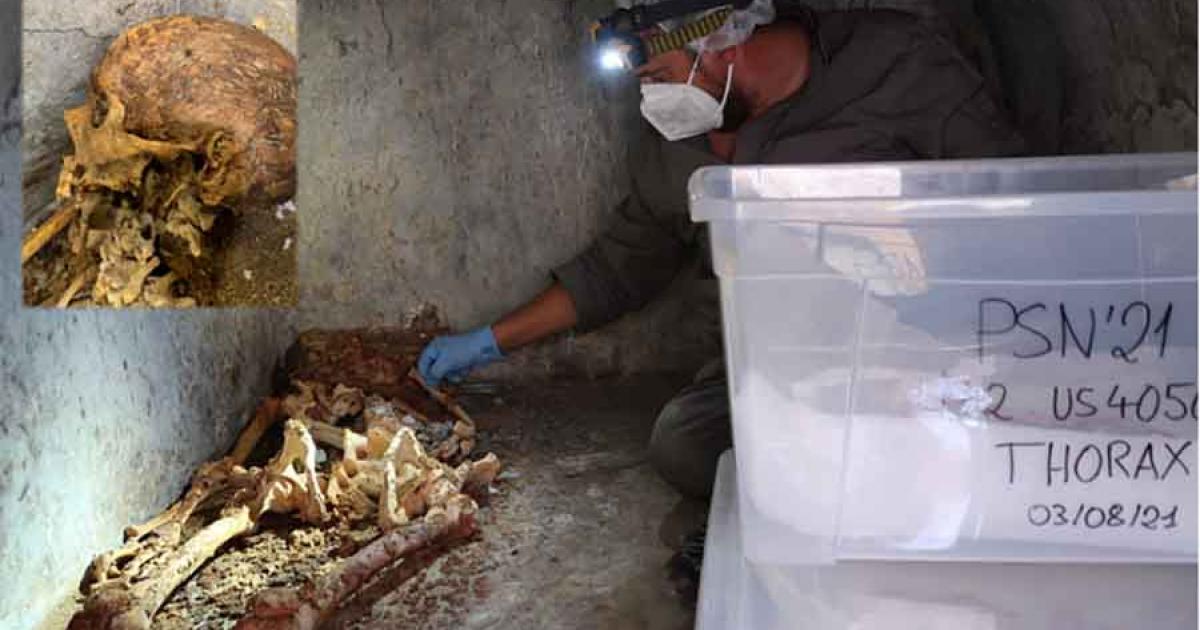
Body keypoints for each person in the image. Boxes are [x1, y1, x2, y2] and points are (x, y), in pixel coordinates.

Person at [417, 0, 1026, 592]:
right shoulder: (685, 130)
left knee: (941, 441)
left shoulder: (897, 65)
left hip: (916, 358)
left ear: (722, 40)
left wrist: (902, 252)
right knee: (683, 442)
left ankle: (846, 488)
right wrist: (489, 341)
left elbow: (1018, 209)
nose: (652, 101)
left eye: (657, 77)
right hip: (778, 378)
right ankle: (809, 485)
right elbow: (622, 265)